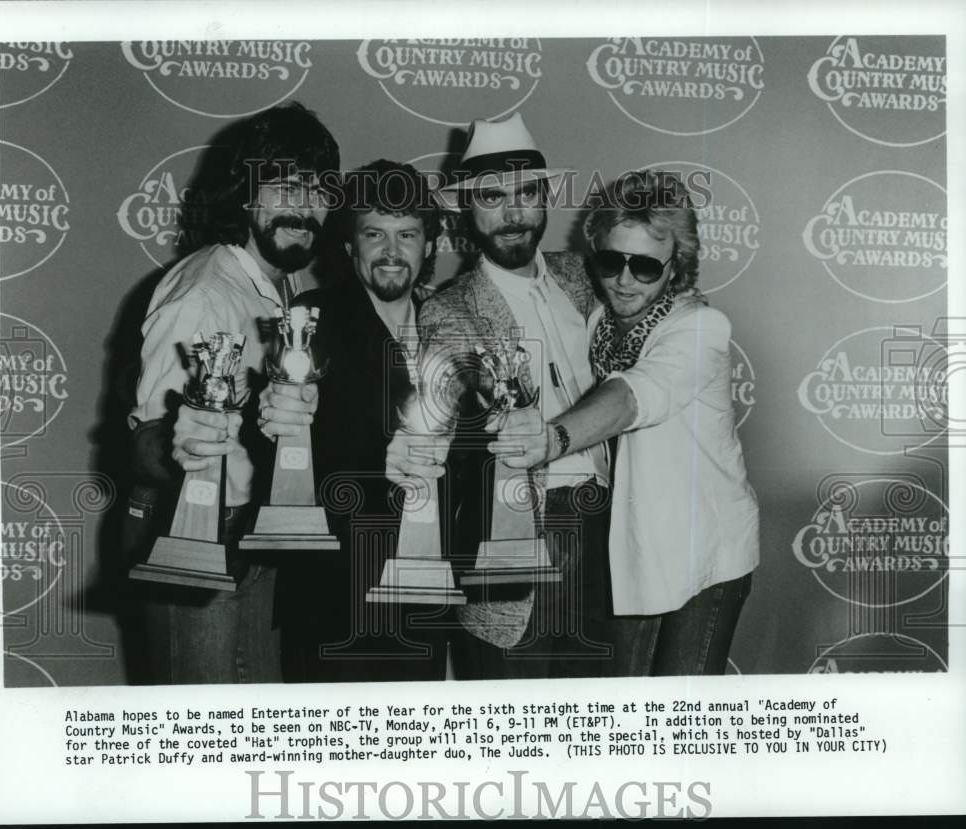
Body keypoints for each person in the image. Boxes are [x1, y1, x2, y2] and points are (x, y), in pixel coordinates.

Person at [488, 170, 759, 675]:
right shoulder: (596, 322)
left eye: (645, 267)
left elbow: (637, 393)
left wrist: (553, 438)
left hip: (704, 552)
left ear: (675, 266)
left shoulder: (700, 327)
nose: (625, 280)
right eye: (611, 262)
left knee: (678, 728)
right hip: (631, 552)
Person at [387, 113, 613, 680]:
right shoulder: (449, 310)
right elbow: (436, 414)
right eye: (493, 196)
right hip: (518, 544)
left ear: (545, 201)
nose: (512, 213)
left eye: (527, 194)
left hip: (612, 534)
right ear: (468, 207)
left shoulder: (590, 277)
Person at [125, 101, 339, 684]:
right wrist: (184, 442)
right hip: (190, 537)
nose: (304, 206)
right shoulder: (205, 293)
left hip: (253, 534)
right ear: (245, 195)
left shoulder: (285, 287)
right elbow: (146, 446)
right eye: (286, 187)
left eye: (319, 189)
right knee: (204, 734)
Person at [261, 159, 447, 682]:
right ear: (349, 245)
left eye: (407, 234)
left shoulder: (449, 326)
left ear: (429, 245)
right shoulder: (313, 318)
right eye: (375, 234)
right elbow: (287, 453)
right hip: (335, 595)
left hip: (424, 595)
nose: (392, 251)